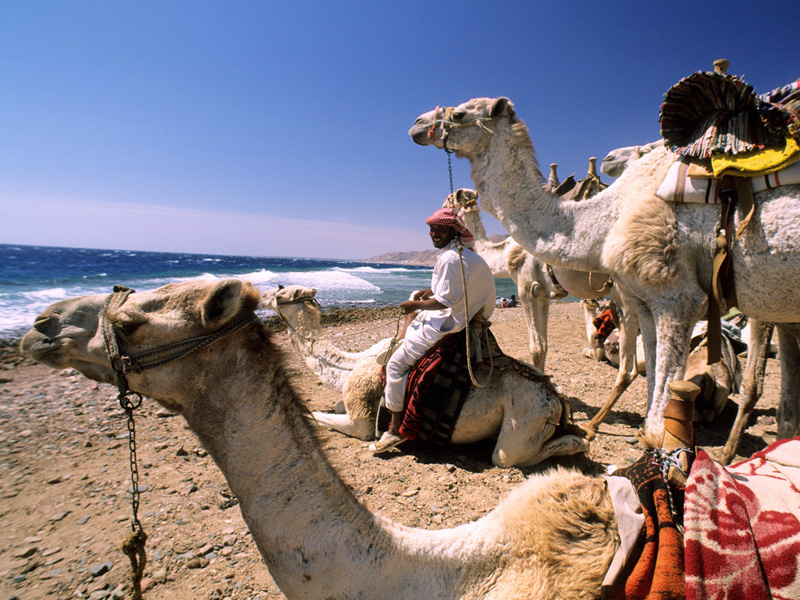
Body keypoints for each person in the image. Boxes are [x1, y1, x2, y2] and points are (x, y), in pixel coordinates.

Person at [370, 207, 496, 453]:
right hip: (466, 314)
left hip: (450, 322)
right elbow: (454, 290)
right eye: (431, 228)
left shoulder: (451, 258)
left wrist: (414, 305)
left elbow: (446, 302)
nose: (433, 233)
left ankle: (395, 430)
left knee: (395, 364)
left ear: (453, 229)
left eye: (439, 228)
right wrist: (431, 293)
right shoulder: (464, 254)